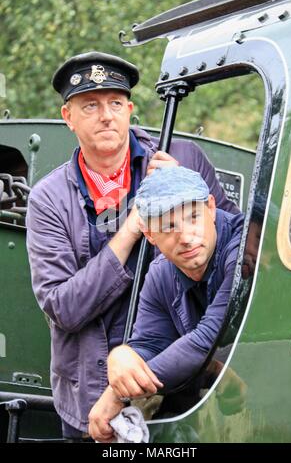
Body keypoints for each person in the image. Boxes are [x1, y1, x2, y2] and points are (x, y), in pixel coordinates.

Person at [26, 51, 239, 440]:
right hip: (94, 395)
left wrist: (182, 190)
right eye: (90, 106)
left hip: (188, 386)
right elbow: (64, 308)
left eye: (115, 104)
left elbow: (237, 254)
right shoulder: (48, 199)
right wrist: (128, 233)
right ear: (67, 117)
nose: (106, 116)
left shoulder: (184, 157)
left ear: (130, 109)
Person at [88, 166, 245, 442]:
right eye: (169, 226)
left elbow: (208, 340)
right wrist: (124, 356)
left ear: (210, 207)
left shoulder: (245, 247)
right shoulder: (161, 273)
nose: (185, 237)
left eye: (193, 218)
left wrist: (117, 393)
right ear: (149, 234)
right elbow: (150, 344)